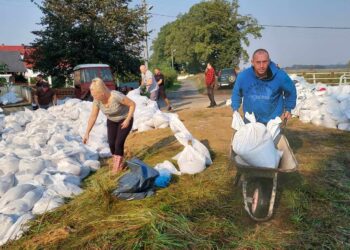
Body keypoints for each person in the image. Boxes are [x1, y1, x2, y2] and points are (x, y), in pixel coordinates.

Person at [83, 77, 135, 174]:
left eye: (96, 95)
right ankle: (119, 160)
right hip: (112, 121)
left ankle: (117, 168)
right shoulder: (97, 101)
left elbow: (132, 104)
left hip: (125, 119)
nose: (94, 98)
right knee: (111, 144)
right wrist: (87, 132)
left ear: (102, 92)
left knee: (118, 143)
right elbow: (93, 116)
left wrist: (128, 119)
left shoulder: (115, 96)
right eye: (93, 95)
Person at [231, 48, 297, 124]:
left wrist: (288, 108)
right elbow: (236, 93)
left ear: (269, 61)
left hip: (273, 122)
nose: (261, 66)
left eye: (264, 62)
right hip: (250, 122)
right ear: (252, 62)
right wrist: (235, 109)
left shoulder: (280, 76)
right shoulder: (243, 76)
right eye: (258, 62)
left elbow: (291, 91)